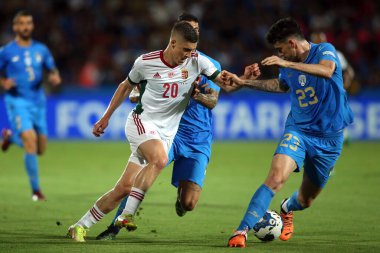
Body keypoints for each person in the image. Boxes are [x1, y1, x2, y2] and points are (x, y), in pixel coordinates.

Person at [67, 20, 230, 242]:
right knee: (160, 159)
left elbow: (226, 84)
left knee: (124, 188)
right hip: (142, 123)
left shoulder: (197, 61)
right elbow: (126, 86)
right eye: (186, 49)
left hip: (165, 133)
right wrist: (105, 117)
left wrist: (245, 79)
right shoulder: (146, 62)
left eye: (193, 49)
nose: (190, 54)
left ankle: (79, 226)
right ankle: (126, 215)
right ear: (173, 42)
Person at [224, 18, 354, 248]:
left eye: (281, 49)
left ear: (293, 43)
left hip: (329, 138)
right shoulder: (287, 65)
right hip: (298, 131)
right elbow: (280, 86)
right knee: (275, 177)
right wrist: (245, 83)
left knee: (306, 200)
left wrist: (288, 65)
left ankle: (287, 208)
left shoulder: (324, 50)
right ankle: (241, 230)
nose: (280, 54)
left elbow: (327, 70)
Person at [0, 10, 61, 201]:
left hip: (38, 102)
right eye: (22, 23)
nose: (26, 26)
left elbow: (52, 69)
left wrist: (54, 76)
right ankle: (36, 190)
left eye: (29, 23)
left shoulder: (41, 49)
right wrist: (3, 83)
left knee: (40, 149)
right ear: (15, 27)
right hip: (17, 101)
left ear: (32, 26)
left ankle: (10, 139)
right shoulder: (6, 51)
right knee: (30, 140)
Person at [311, 31, 355, 145]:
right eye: (316, 40)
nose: (319, 42)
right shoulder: (309, 56)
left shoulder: (335, 54)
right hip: (318, 92)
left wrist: (344, 86)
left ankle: (342, 134)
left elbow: (349, 71)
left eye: (321, 39)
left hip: (333, 91)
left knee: (334, 112)